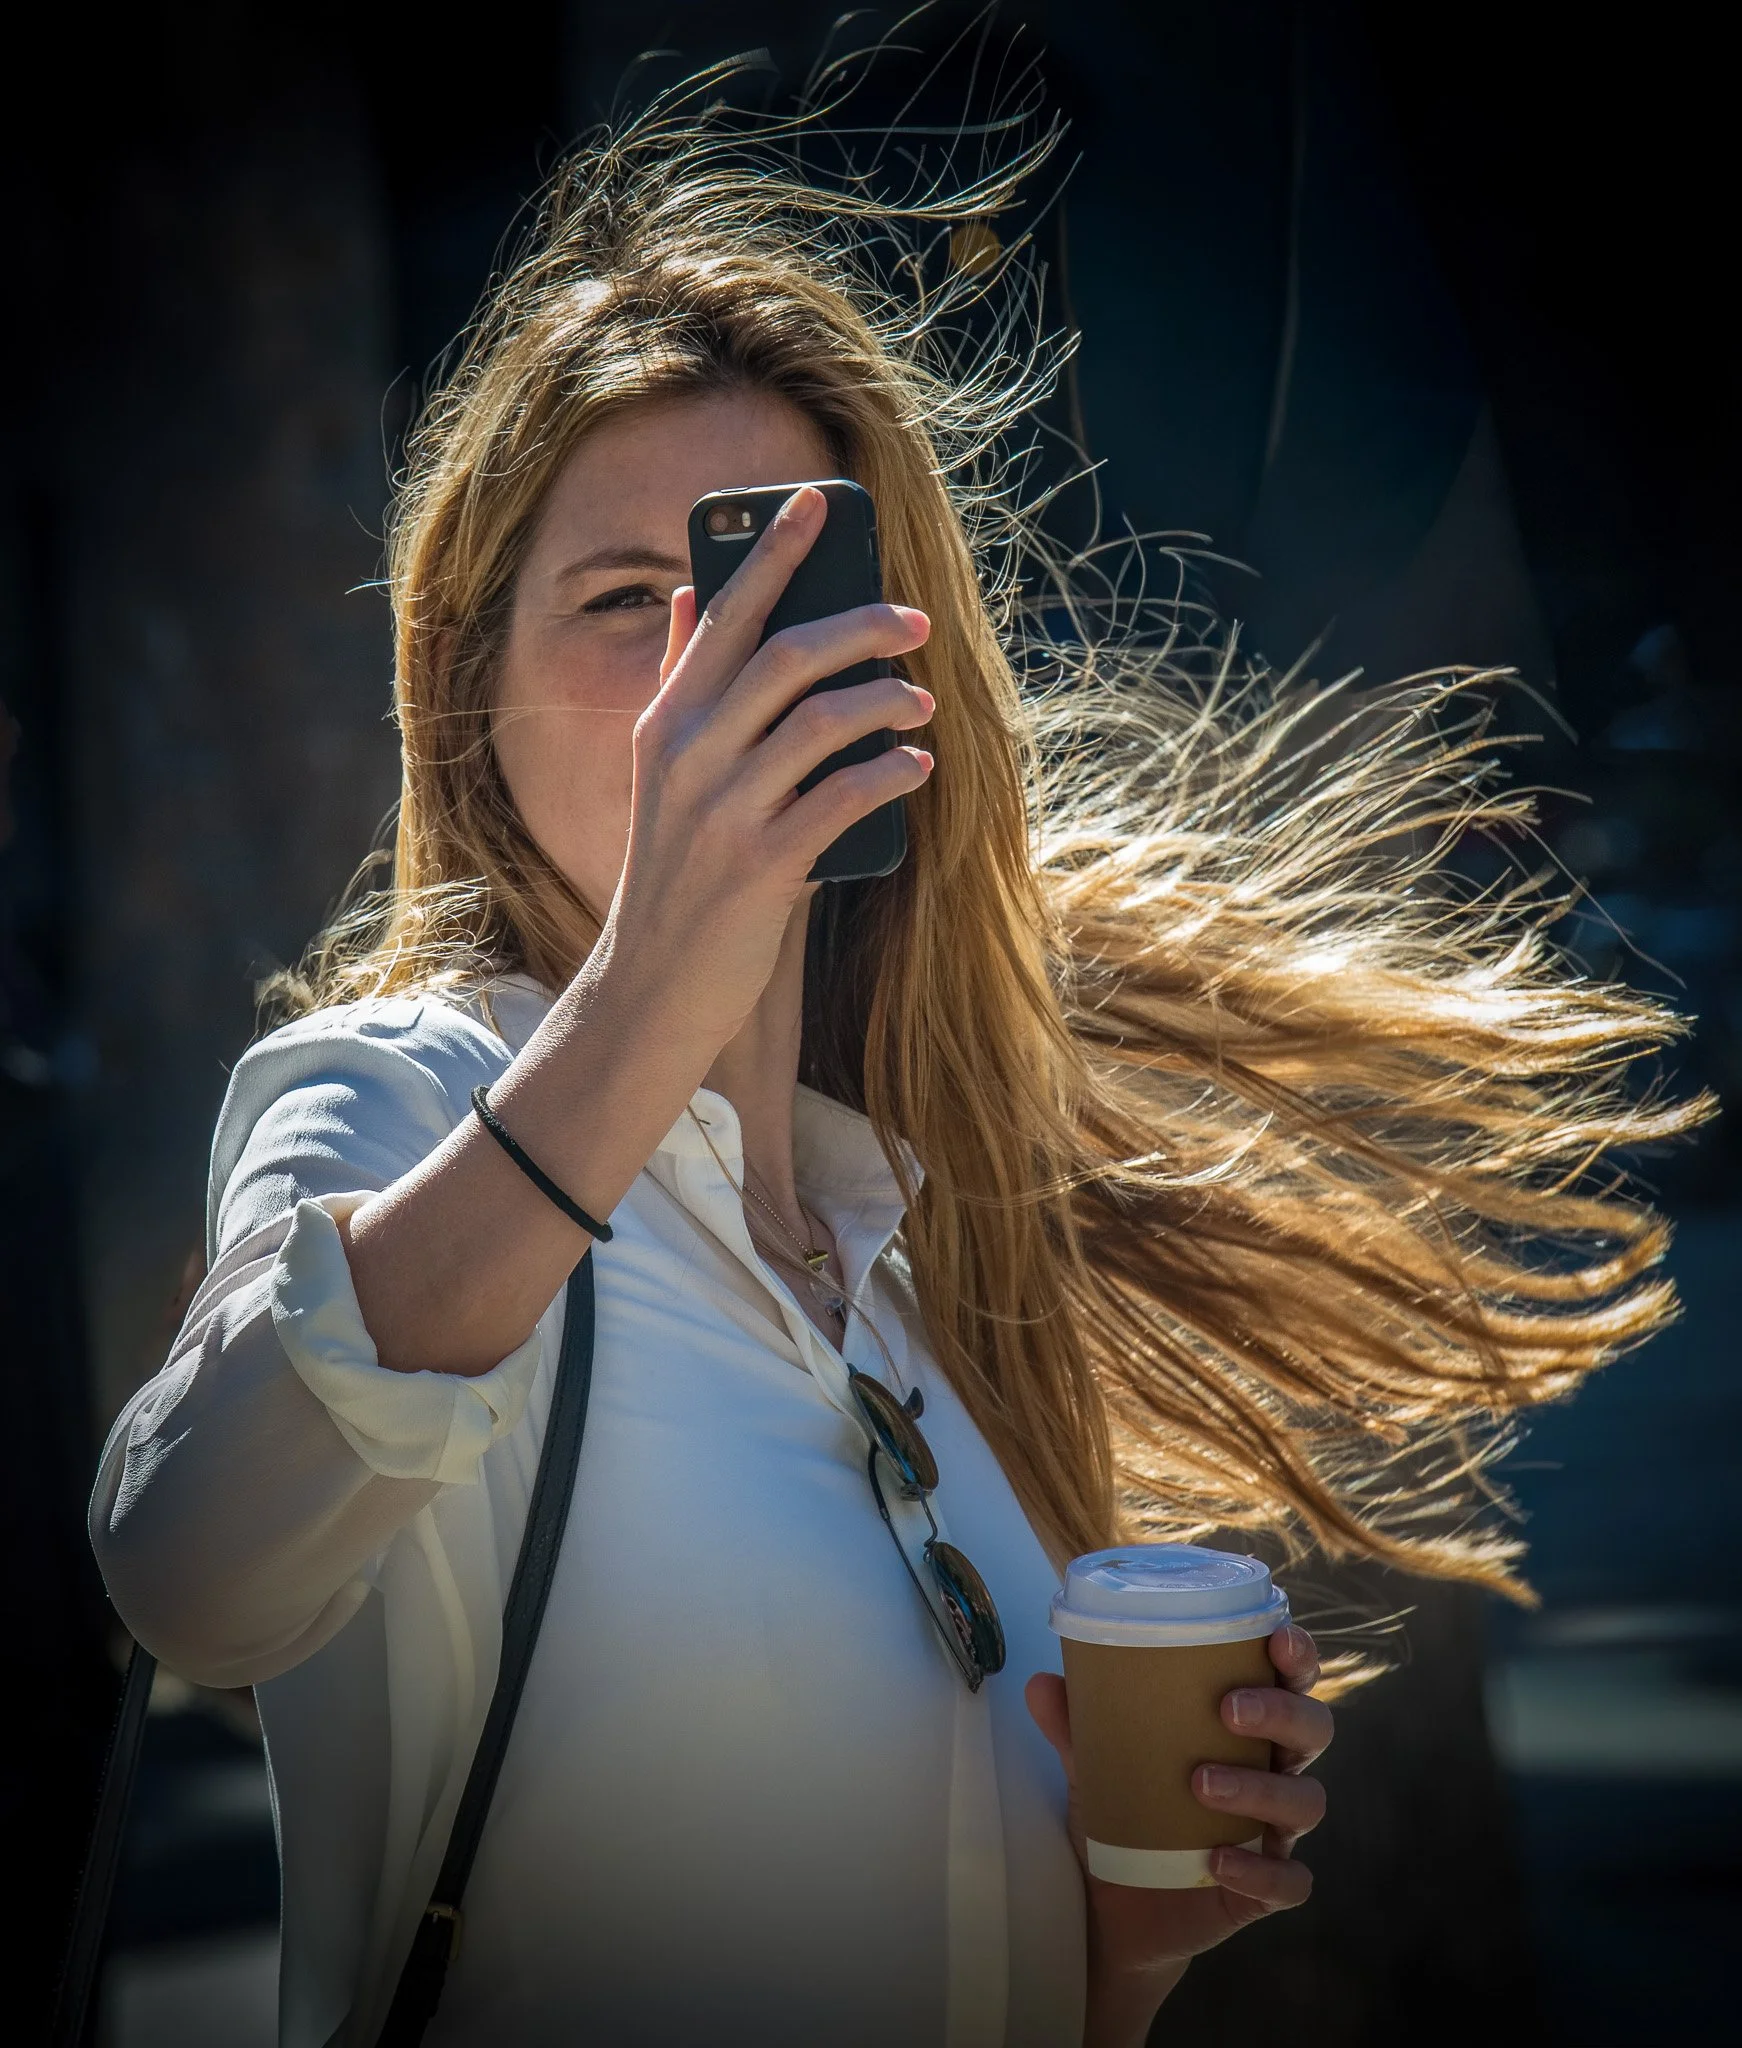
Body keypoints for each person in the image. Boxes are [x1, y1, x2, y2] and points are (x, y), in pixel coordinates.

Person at [90, 75, 1701, 2048]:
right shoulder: (386, 1096)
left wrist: (1125, 1938)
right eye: (623, 603)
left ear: (896, 680)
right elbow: (191, 1568)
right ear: (468, 687)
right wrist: (652, 986)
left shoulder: (912, 1274)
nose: (707, 674)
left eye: (779, 596)